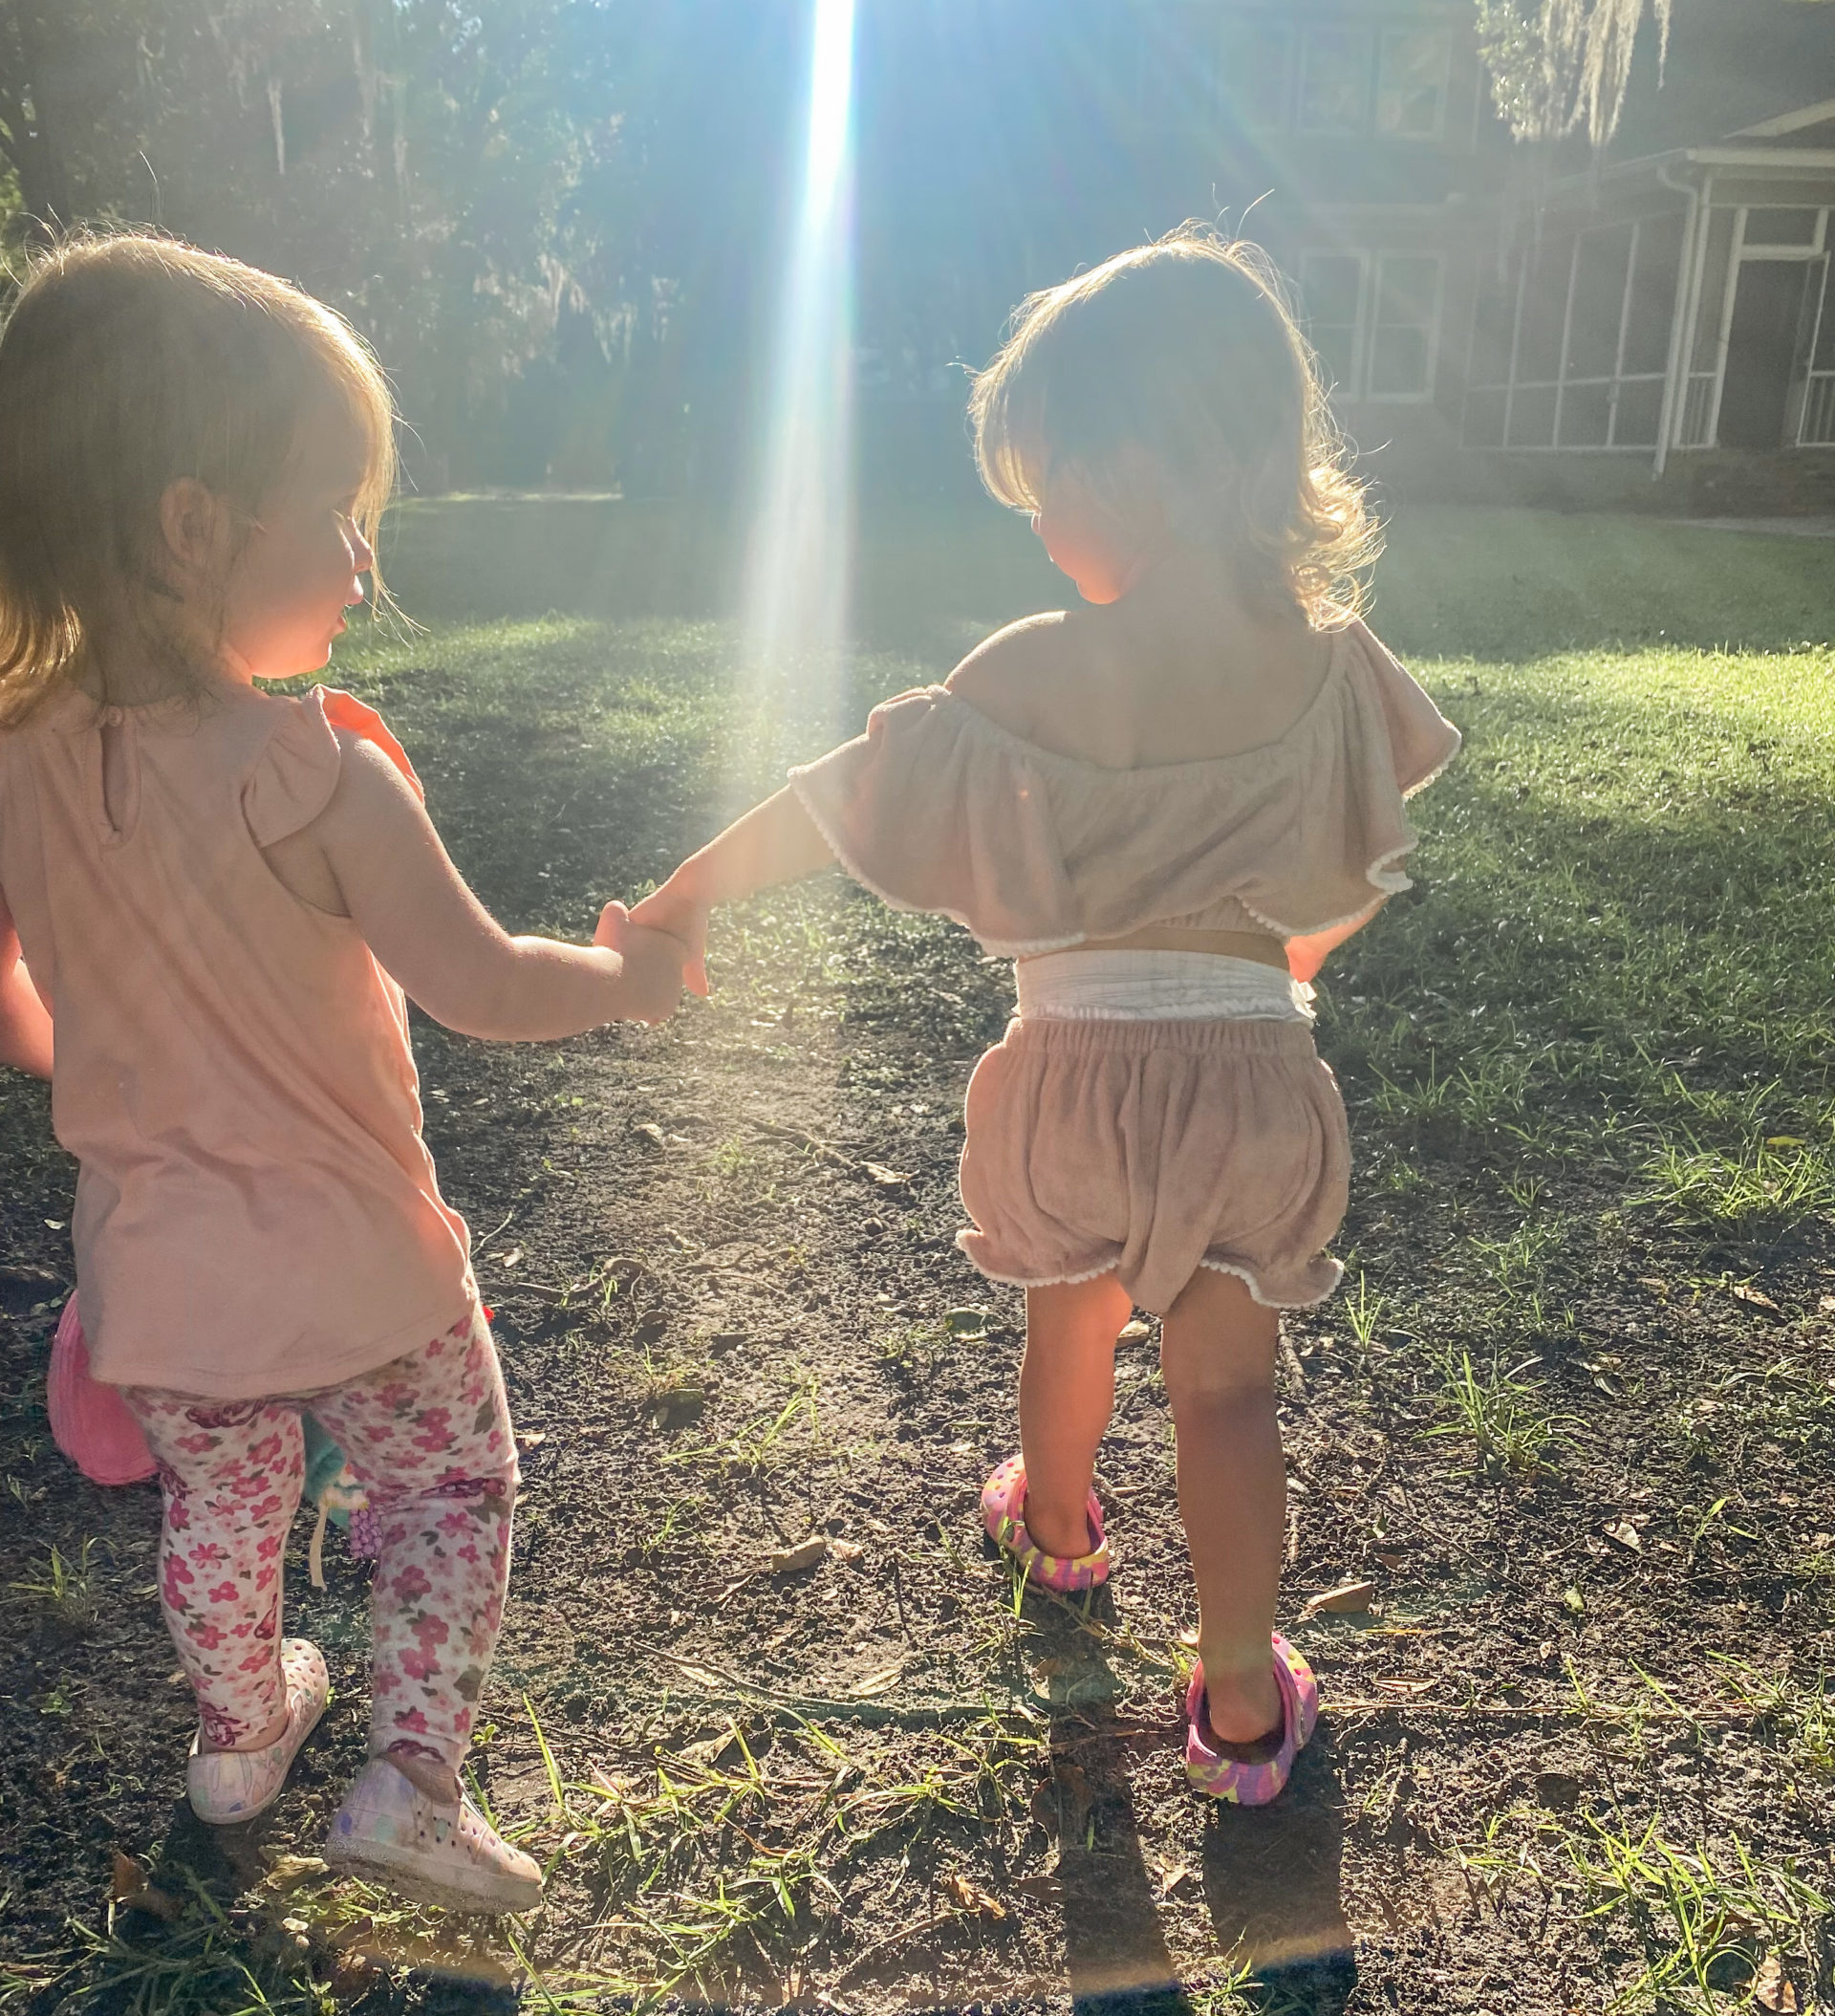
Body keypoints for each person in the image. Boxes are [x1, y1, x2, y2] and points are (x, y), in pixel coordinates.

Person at [632, 228, 1458, 1807]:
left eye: (1048, 485)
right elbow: (1361, 864)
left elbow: (832, 801)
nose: (1039, 526)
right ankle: (1232, 1703)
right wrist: (1282, 969)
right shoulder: (1330, 670)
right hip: (1250, 1084)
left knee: (1066, 1316)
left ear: (1138, 463)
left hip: (1068, 1078)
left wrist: (686, 893)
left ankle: (1063, 1530)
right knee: (1226, 1390)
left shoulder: (1026, 671)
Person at [0, 233, 684, 1908]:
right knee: (450, 1485)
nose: (364, 564)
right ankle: (407, 1780)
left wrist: (85, 1056)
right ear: (191, 529)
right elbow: (483, 988)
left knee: (223, 1498)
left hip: (158, 1270)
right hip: (366, 1260)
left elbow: (11, 993)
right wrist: (632, 977)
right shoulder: (320, 776)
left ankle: (241, 1734)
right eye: (337, 513)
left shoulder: (13, 765)